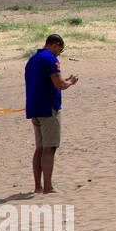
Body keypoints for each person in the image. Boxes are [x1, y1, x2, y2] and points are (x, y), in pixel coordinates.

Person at [25, 34, 78, 195]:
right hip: (48, 108)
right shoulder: (50, 59)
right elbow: (60, 84)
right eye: (59, 51)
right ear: (55, 45)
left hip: (34, 107)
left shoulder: (32, 59)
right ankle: (48, 187)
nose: (58, 54)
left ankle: (38, 187)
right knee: (50, 148)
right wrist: (70, 81)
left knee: (40, 148)